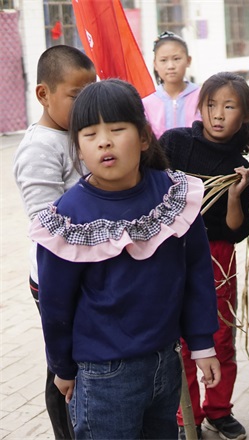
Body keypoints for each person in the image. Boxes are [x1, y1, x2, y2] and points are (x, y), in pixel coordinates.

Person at [29, 79, 222, 440]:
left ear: (144, 137)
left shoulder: (174, 196)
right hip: (103, 376)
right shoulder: (68, 218)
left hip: (166, 361)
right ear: (78, 148)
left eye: (117, 129)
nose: (104, 140)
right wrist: (62, 367)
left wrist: (202, 344)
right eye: (89, 134)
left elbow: (197, 271)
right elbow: (55, 304)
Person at [160, 72, 249, 440]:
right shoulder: (176, 143)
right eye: (211, 105)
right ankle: (189, 416)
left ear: (244, 115)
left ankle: (219, 410)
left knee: (219, 338)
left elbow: (236, 230)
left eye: (228, 107)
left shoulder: (242, 163)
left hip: (218, 256)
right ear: (199, 108)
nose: (218, 114)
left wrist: (234, 194)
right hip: (172, 251)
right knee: (181, 341)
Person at [12, 45, 97, 440]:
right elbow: (48, 224)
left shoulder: (78, 132)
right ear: (44, 94)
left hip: (86, 269)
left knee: (83, 356)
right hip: (54, 276)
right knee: (62, 364)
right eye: (77, 96)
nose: (87, 104)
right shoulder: (39, 147)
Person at [143, 31, 200, 138]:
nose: (171, 66)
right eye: (163, 60)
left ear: (188, 60)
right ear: (155, 64)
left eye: (176, 59)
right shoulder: (146, 103)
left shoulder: (202, 96)